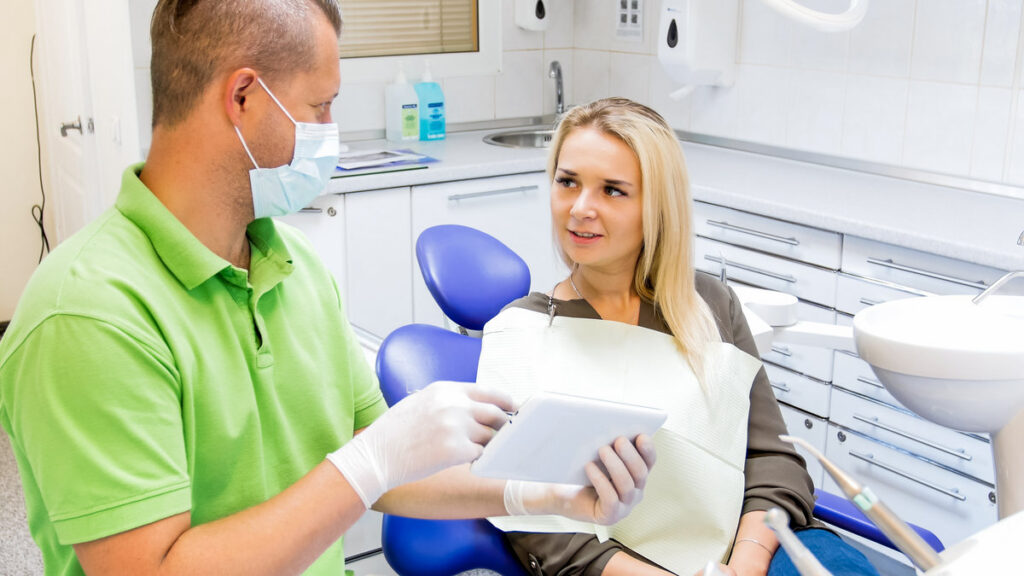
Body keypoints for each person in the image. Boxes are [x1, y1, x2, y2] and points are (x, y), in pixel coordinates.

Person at [0, 3, 655, 575]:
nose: (330, 133)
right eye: (321, 106)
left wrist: (548, 497)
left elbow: (391, 469)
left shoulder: (294, 270)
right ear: (243, 98)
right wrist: (366, 463)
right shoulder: (88, 315)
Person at [475, 98, 882, 576]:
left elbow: (773, 458)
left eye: (612, 190)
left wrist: (746, 564)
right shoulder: (521, 334)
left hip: (756, 549)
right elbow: (537, 522)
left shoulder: (709, 304)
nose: (580, 208)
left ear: (657, 206)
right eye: (568, 182)